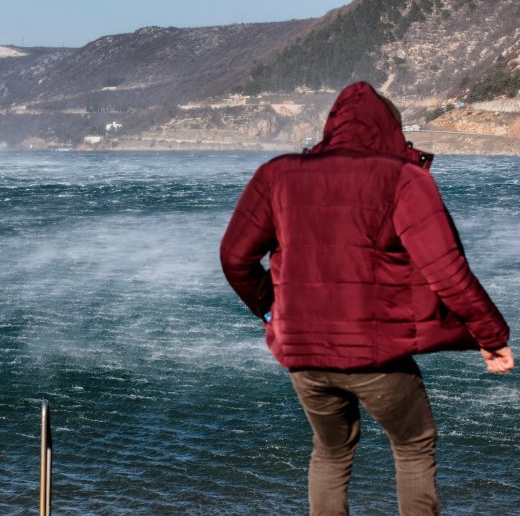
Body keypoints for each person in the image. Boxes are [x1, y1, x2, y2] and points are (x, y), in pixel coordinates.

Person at [219, 81, 513, 515]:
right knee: (413, 444)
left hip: (303, 357)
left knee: (331, 451)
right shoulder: (402, 179)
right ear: (390, 130)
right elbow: (447, 271)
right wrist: (491, 336)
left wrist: (271, 309)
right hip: (377, 358)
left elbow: (234, 257)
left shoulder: (277, 174)